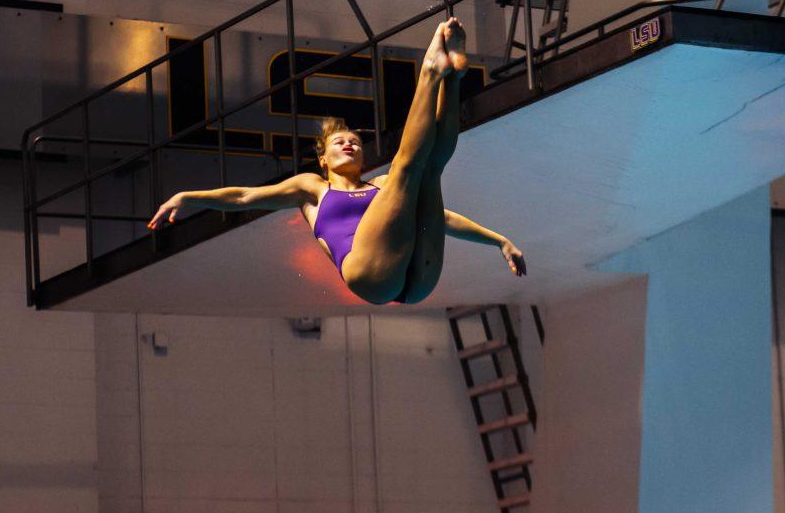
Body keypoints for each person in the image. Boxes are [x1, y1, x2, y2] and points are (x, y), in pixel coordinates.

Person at [148, 17, 526, 304]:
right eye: (340, 143)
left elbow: (443, 220)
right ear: (323, 159)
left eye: (355, 143)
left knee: (430, 171)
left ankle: (452, 79)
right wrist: (187, 197)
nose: (350, 146)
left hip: (418, 282)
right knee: (407, 169)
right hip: (369, 275)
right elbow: (244, 197)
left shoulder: (377, 188)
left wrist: (500, 242)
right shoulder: (313, 190)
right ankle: (432, 71)